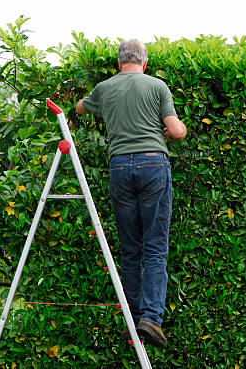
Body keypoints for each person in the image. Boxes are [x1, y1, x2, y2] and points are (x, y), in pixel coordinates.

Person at [75, 39, 186, 349]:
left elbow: (80, 108)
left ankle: (131, 317)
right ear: (145, 62)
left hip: (120, 167)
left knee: (131, 249)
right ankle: (150, 319)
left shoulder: (105, 88)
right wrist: (176, 129)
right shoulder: (157, 87)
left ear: (119, 62)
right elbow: (176, 131)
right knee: (155, 246)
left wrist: (82, 101)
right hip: (153, 165)